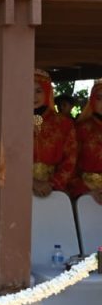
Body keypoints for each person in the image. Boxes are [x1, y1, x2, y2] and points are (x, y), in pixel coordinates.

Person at [31, 69, 77, 197]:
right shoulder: (12, 122)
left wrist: (52, 184)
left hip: (53, 191)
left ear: (47, 91)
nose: (33, 96)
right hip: (18, 187)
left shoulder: (64, 123)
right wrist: (31, 182)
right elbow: (6, 157)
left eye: (38, 91)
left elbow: (71, 159)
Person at [73, 81, 102, 204]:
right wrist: (85, 190)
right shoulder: (80, 129)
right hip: (86, 195)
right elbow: (70, 163)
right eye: (100, 98)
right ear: (92, 101)